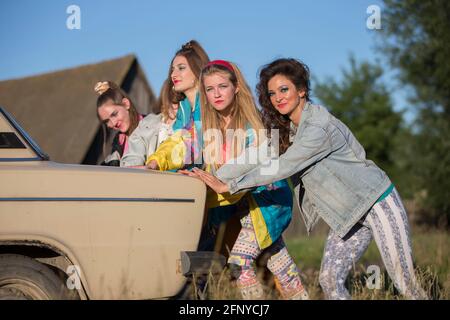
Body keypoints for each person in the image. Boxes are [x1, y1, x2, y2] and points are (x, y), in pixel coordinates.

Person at [191, 58, 428, 300]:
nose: (278, 98)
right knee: (329, 280)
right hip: (348, 214)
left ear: (302, 90)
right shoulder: (287, 129)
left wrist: (230, 185)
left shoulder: (318, 127)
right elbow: (256, 156)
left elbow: (282, 165)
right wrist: (212, 178)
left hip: (377, 202)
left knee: (404, 282)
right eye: (272, 93)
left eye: (284, 90)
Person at [181, 60, 309, 300]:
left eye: (222, 86)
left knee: (239, 263)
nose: (216, 94)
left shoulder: (253, 124)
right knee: (280, 263)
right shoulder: (207, 126)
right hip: (239, 206)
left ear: (236, 87)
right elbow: (181, 146)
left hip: (266, 203)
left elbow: (250, 165)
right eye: (209, 89)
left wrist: (218, 177)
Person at [146, 40, 209, 170]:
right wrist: (156, 163)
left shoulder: (210, 103)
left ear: (198, 69)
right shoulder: (183, 108)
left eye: (181, 68)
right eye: (172, 69)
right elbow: (176, 144)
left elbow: (193, 146)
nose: (173, 75)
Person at [120, 79, 178, 167]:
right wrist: (132, 168)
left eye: (181, 100)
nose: (176, 105)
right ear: (165, 97)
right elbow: (134, 155)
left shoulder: (187, 127)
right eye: (173, 100)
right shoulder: (147, 123)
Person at [95, 81, 144, 166]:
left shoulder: (154, 127)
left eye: (114, 114)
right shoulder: (118, 143)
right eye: (107, 121)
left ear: (125, 104)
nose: (113, 123)